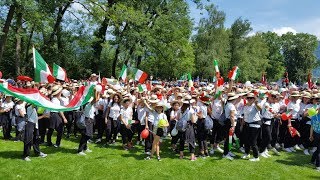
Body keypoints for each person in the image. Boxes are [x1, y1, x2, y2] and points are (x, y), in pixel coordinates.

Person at [78, 89, 99, 155]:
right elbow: (96, 99)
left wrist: (98, 92)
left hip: (89, 120)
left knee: (87, 135)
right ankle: (80, 150)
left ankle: (85, 148)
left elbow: (96, 99)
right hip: (87, 120)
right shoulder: (88, 105)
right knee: (86, 136)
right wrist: (96, 91)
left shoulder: (87, 104)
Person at [242, 93, 262, 162]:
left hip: (255, 125)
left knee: (253, 141)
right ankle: (247, 153)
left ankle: (256, 157)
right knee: (246, 140)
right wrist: (242, 124)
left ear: (254, 99)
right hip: (247, 124)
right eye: (248, 98)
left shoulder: (255, 105)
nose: (249, 99)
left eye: (251, 98)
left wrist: (256, 103)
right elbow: (244, 116)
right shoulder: (246, 106)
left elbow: (260, 108)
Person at [177, 95, 197, 161]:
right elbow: (193, 121)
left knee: (182, 140)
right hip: (188, 125)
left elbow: (178, 118)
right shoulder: (191, 110)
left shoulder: (180, 109)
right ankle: (192, 156)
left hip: (181, 126)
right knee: (191, 140)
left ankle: (181, 155)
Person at [222, 93, 238, 160]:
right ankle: (225, 153)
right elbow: (232, 116)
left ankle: (228, 151)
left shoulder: (227, 105)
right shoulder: (231, 106)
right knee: (228, 139)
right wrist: (233, 125)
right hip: (230, 123)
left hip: (228, 122)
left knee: (229, 139)